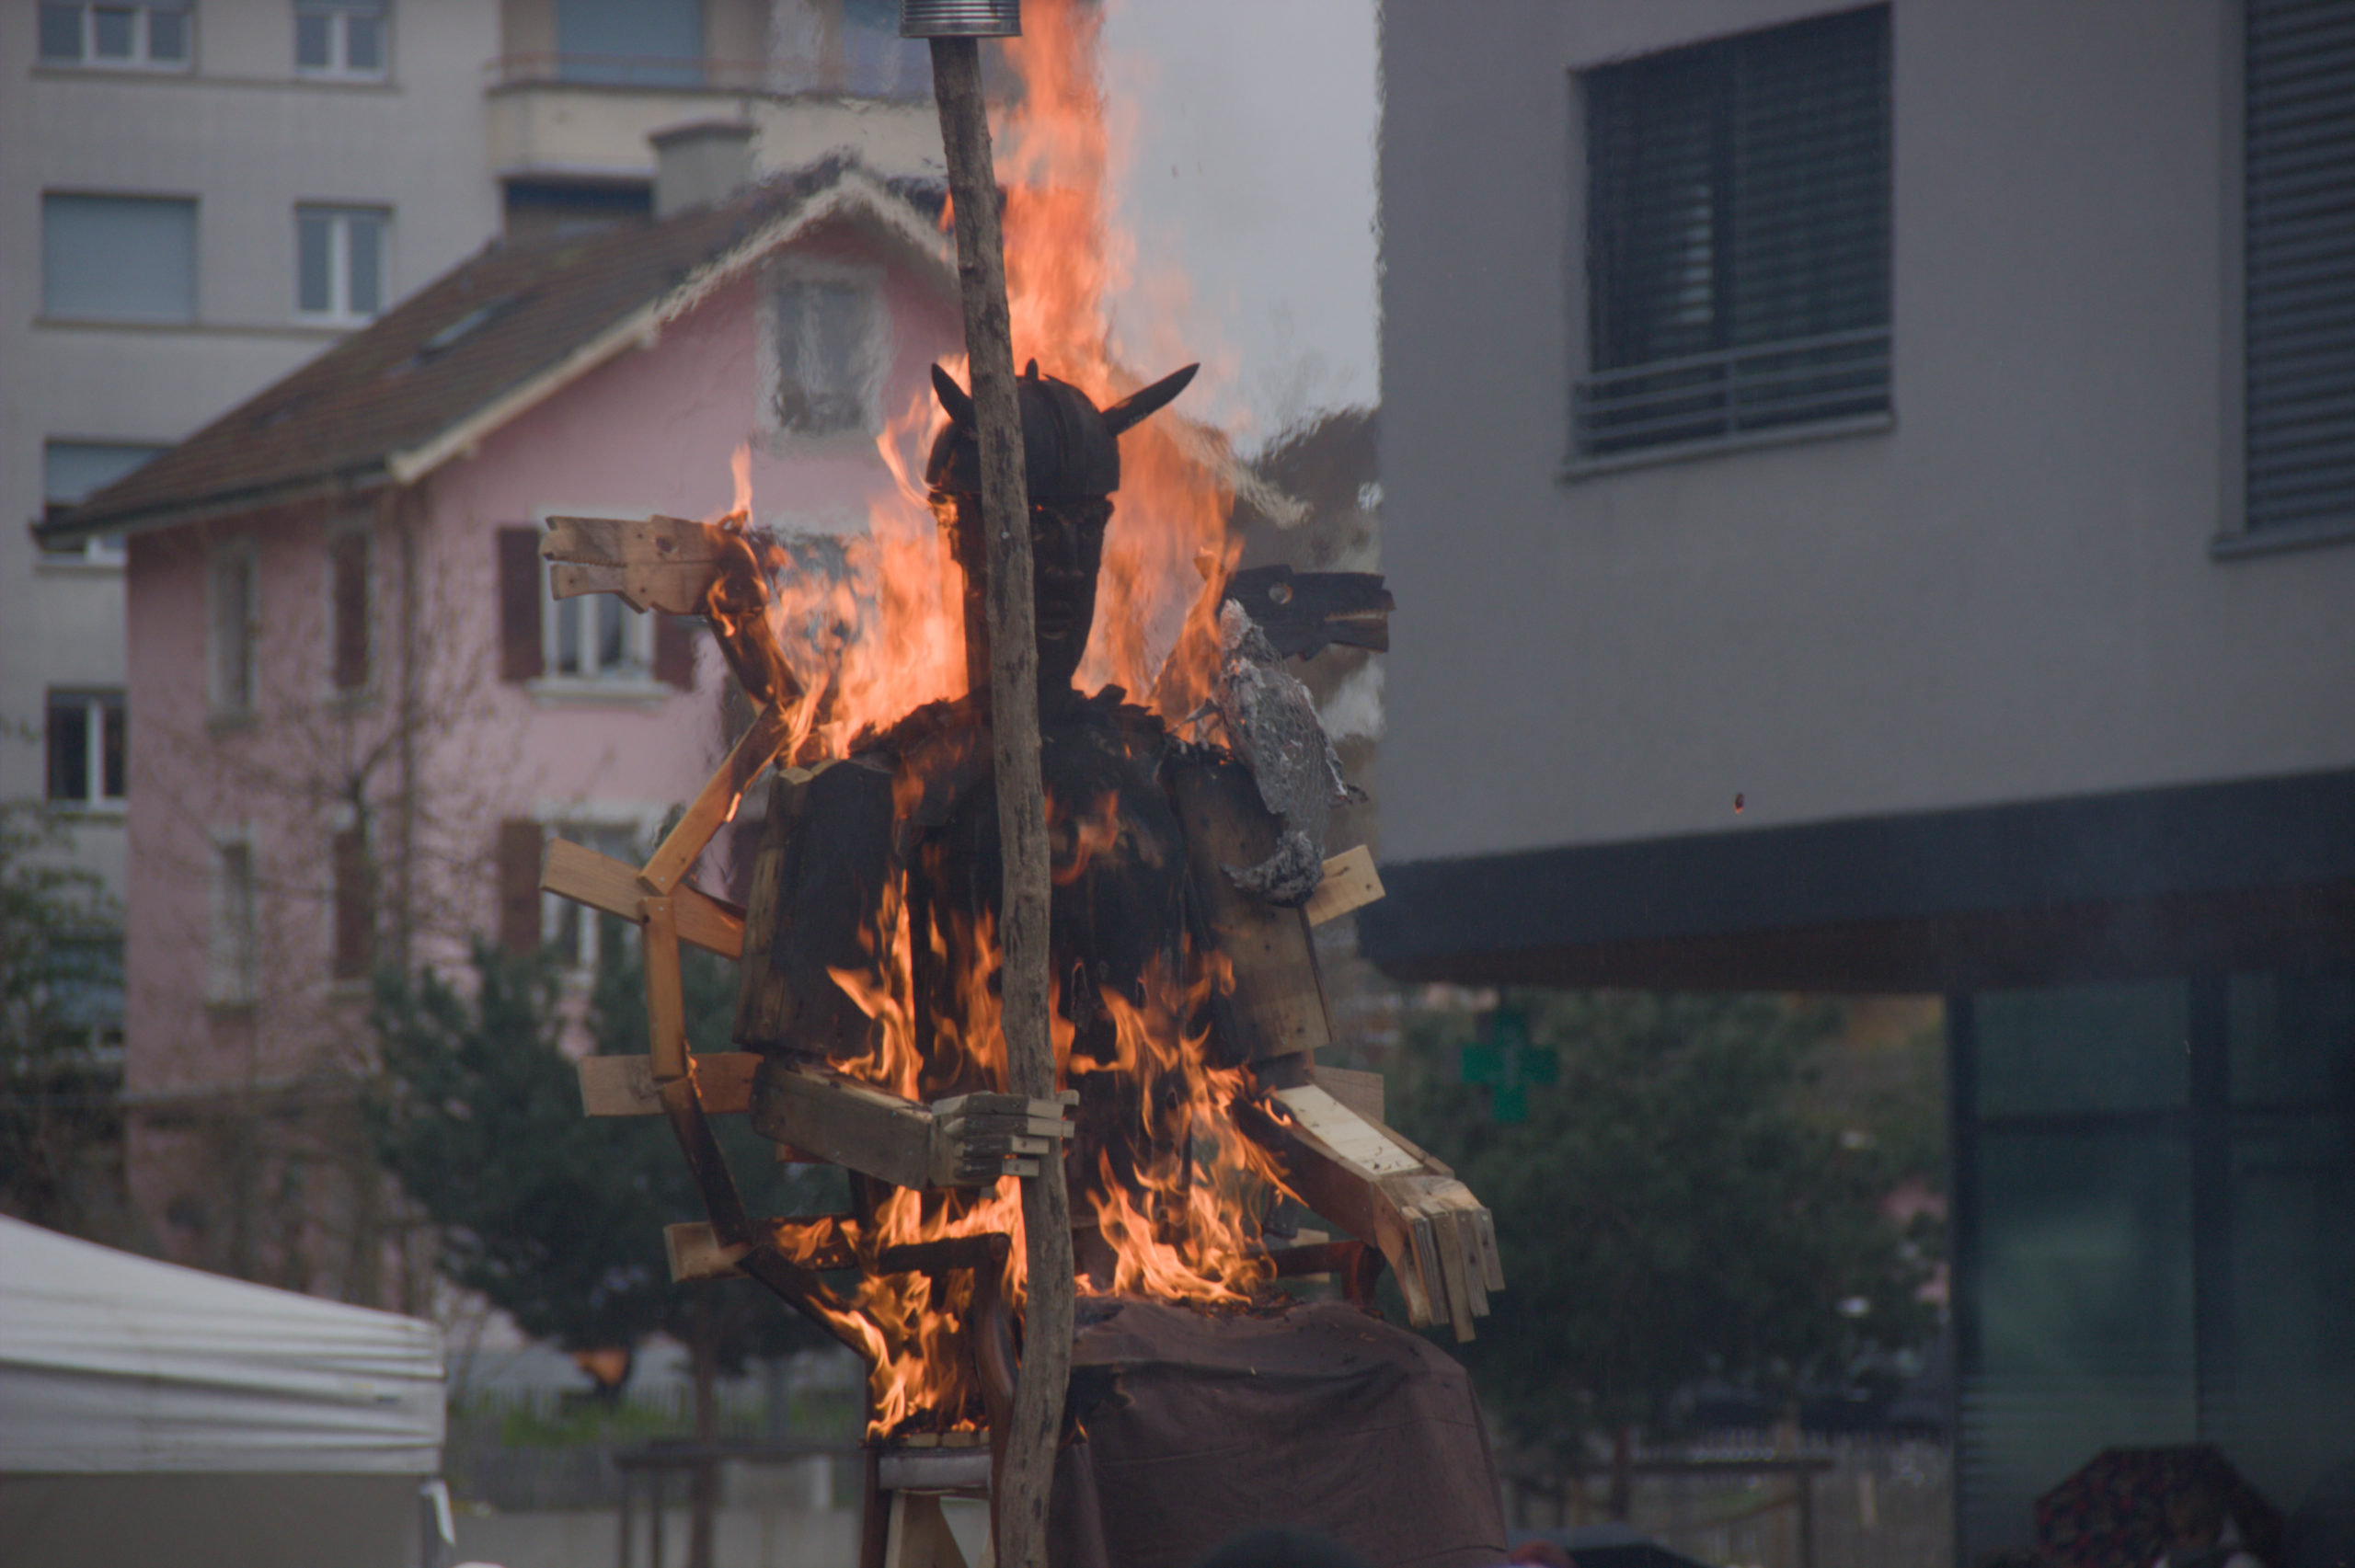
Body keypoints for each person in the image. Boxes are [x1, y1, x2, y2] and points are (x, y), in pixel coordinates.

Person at [2155, 1482, 2263, 1568]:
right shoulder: (2165, 1564)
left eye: (2192, 1532)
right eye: (2175, 1533)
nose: (2181, 1540)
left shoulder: (2240, 1564)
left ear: (2210, 1530)